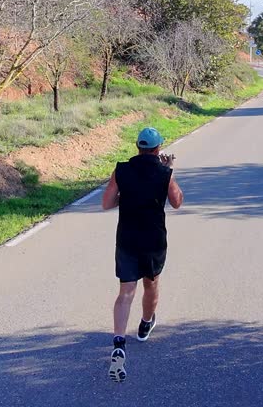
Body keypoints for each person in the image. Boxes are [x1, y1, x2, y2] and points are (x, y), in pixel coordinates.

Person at [101, 126, 184, 382]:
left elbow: (106, 203)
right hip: (153, 240)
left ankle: (118, 343)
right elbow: (177, 201)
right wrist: (170, 172)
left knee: (125, 292)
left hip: (127, 238)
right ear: (158, 149)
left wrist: (124, 199)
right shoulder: (163, 172)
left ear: (137, 147)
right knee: (151, 284)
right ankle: (146, 324)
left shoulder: (121, 170)